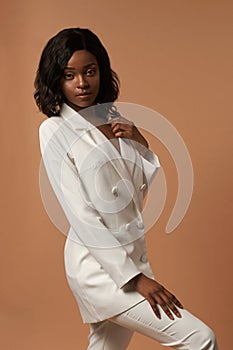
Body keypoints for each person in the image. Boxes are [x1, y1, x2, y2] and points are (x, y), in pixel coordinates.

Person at [35, 27, 218, 349]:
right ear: (56, 80)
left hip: (131, 259)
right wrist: (135, 279)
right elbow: (82, 214)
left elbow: (133, 195)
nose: (82, 83)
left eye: (90, 72)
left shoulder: (113, 120)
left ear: (101, 73)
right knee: (200, 338)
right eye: (69, 75)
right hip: (99, 270)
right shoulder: (55, 129)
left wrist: (141, 144)